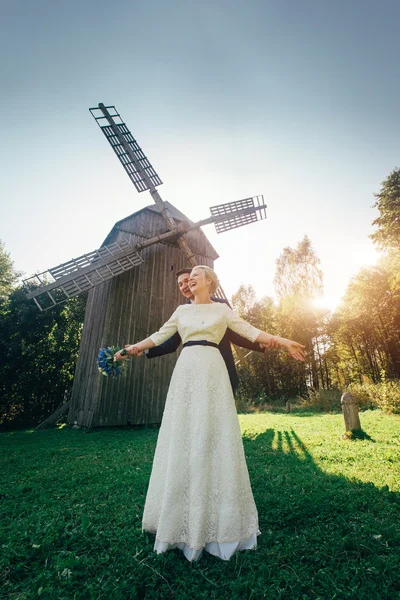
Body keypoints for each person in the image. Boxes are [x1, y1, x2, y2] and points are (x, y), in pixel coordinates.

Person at [115, 266, 305, 562]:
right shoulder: (180, 311)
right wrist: (132, 348)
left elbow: (250, 331)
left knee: (214, 433)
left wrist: (282, 341)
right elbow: (160, 335)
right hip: (186, 371)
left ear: (210, 282)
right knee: (185, 433)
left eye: (196, 275)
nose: (189, 280)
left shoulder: (222, 311)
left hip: (213, 369)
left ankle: (220, 518)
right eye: (187, 278)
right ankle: (177, 517)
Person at [145, 268, 278, 394]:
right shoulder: (182, 311)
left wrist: (259, 343)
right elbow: (171, 343)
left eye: (187, 280)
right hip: (193, 368)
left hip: (220, 366)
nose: (184, 286)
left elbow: (235, 332)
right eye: (180, 284)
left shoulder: (221, 305)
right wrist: (145, 349)